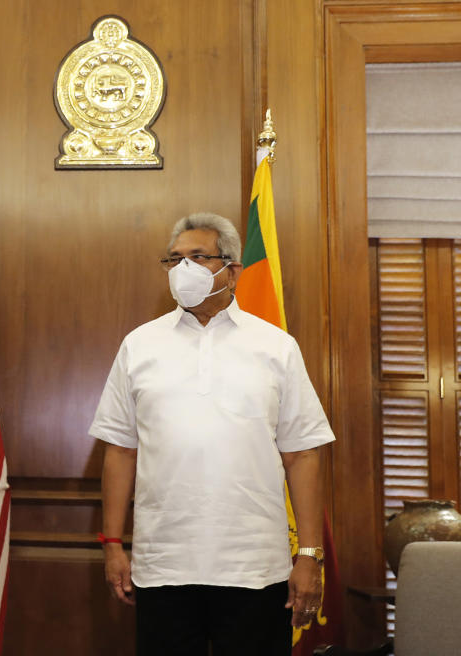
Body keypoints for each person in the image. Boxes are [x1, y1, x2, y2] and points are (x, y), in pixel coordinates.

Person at [91, 212, 336, 656]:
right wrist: (112, 545)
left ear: (233, 269)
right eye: (174, 259)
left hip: (255, 568)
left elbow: (303, 455)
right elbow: (120, 450)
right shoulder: (139, 345)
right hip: (162, 565)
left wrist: (310, 556)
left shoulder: (276, 347)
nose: (183, 269)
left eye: (198, 257)